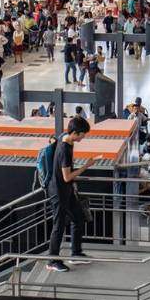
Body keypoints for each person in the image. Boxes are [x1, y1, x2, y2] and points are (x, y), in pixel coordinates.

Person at [46, 117, 97, 273]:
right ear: (75, 133)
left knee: (78, 218)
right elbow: (67, 176)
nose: (84, 137)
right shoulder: (64, 149)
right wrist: (86, 166)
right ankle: (52, 260)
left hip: (66, 190)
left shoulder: (66, 138)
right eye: (82, 134)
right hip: (59, 192)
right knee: (58, 226)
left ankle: (75, 253)